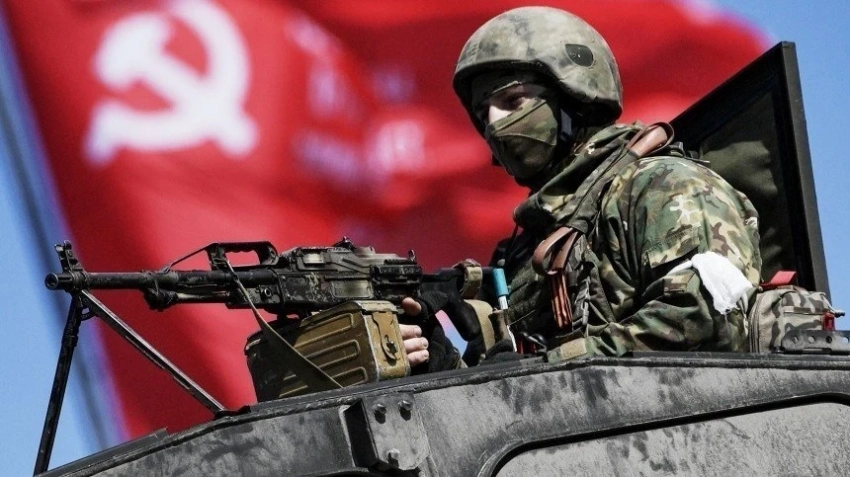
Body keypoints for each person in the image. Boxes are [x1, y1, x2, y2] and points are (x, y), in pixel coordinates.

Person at [401, 5, 762, 369]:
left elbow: (711, 320)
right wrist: (443, 363)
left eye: (513, 101)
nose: (494, 125)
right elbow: (507, 380)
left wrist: (542, 369)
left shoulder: (660, 186)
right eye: (483, 115)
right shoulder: (525, 249)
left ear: (572, 97)